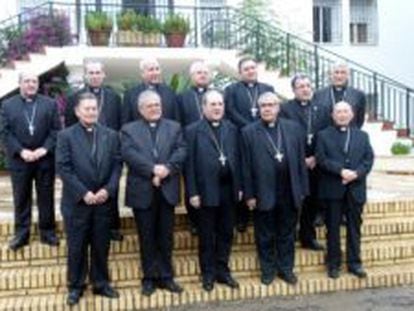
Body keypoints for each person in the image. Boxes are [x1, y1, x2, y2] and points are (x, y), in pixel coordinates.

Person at [56, 92, 122, 305]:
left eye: (94, 108)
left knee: (101, 245)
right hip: (77, 203)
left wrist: (108, 190)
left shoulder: (111, 135)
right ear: (77, 111)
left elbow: (117, 165)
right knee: (77, 246)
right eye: (87, 109)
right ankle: (75, 286)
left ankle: (101, 283)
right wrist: (84, 193)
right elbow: (63, 168)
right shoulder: (65, 136)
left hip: (103, 202)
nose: (92, 112)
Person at [121, 90, 186, 296]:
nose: (155, 108)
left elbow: (181, 150)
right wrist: (153, 169)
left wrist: (167, 168)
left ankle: (166, 276)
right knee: (146, 236)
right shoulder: (128, 129)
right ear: (141, 109)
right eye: (150, 106)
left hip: (166, 189)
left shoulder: (174, 127)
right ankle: (149, 277)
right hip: (143, 190)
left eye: (157, 104)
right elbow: (129, 154)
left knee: (166, 236)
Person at [242, 92, 308, 286]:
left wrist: (303, 188)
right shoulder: (248, 132)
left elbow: (300, 161)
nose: (268, 109)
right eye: (263, 106)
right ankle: (268, 270)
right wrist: (250, 194)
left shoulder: (294, 129)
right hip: (263, 192)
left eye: (271, 105)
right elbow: (245, 166)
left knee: (287, 233)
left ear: (278, 107)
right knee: (265, 234)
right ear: (259, 109)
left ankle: (286, 269)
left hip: (289, 190)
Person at [185, 90, 240, 292]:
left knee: (226, 233)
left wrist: (240, 187)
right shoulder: (192, 130)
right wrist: (192, 192)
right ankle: (208, 274)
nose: (217, 108)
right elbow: (188, 165)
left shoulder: (232, 129)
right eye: (213, 104)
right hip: (205, 191)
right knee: (207, 235)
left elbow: (239, 160)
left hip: (228, 190)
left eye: (220, 104)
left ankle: (223, 271)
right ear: (204, 107)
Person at [0, 71, 60, 251]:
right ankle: (21, 234)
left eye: (34, 81)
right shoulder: (7, 105)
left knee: (46, 197)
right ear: (20, 84)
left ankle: (47, 232)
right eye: (27, 81)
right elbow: (4, 132)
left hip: (44, 160)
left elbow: (56, 130)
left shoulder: (49, 104)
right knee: (21, 198)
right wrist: (21, 151)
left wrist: (44, 149)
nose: (31, 84)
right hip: (20, 160)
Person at [65, 60, 123, 241]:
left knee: (110, 188)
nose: (95, 76)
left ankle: (112, 226)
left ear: (104, 75)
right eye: (91, 73)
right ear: (85, 75)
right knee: (86, 188)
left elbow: (119, 123)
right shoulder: (75, 97)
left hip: (108, 148)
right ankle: (87, 226)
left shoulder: (113, 97)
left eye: (98, 72)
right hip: (84, 150)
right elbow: (69, 125)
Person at [316, 101, 374, 279]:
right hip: (333, 189)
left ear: (351, 115)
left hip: (355, 189)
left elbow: (368, 159)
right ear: (333, 115)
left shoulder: (362, 135)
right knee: (332, 229)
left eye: (345, 111)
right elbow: (321, 159)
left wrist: (356, 174)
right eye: (338, 112)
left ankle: (355, 264)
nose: (342, 115)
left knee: (354, 229)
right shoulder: (323, 135)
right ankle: (334, 264)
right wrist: (341, 171)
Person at [280, 74, 330, 251]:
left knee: (312, 201)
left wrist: (316, 157)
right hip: (293, 162)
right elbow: (283, 136)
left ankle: (308, 237)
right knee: (293, 200)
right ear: (294, 90)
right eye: (300, 86)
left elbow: (327, 136)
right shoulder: (285, 109)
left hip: (316, 162)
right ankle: (289, 235)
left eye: (308, 85)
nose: (305, 89)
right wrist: (300, 159)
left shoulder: (323, 109)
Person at [224, 56, 274, 233]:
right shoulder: (231, 90)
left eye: (253, 68)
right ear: (240, 72)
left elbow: (272, 111)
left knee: (261, 174)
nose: (250, 71)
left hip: (264, 140)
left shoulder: (267, 89)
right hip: (241, 139)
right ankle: (242, 217)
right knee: (243, 177)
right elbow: (229, 111)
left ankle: (260, 211)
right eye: (246, 69)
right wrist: (249, 127)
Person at [177, 60, 211, 235]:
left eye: (205, 72)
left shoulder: (217, 96)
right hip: (191, 147)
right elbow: (178, 123)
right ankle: (194, 221)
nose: (202, 75)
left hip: (214, 146)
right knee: (192, 183)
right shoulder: (182, 97)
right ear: (192, 76)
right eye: (199, 72)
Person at [122, 57, 177, 124]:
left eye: (157, 69)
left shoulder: (170, 92)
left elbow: (176, 120)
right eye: (151, 70)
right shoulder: (130, 94)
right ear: (142, 74)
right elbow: (126, 123)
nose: (155, 73)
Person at [313, 62, 366, 128]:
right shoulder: (319, 95)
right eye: (336, 72)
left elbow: (360, 120)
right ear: (331, 75)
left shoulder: (358, 95)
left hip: (350, 134)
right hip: (325, 135)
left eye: (343, 72)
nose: (339, 76)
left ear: (348, 75)